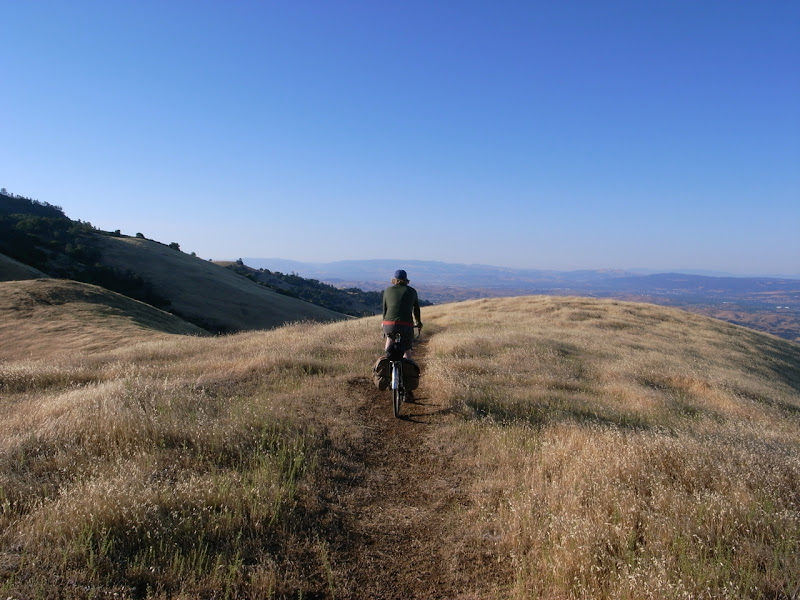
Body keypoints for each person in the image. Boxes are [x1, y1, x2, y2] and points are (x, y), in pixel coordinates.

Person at [382, 269, 422, 360]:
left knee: (389, 340)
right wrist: (419, 323)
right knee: (407, 350)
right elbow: (416, 309)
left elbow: (385, 309)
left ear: (394, 279)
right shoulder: (412, 291)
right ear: (406, 279)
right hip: (406, 324)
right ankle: (407, 365)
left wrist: (384, 322)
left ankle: (387, 361)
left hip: (389, 324)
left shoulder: (387, 290)